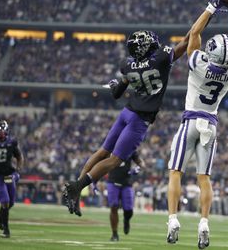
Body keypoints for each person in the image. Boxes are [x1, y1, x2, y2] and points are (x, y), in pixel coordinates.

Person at [63, 29, 190, 216]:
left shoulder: (127, 65)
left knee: (102, 152)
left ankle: (76, 188)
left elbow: (116, 93)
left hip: (126, 113)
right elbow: (186, 42)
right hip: (139, 119)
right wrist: (209, 12)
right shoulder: (160, 58)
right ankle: (78, 186)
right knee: (114, 160)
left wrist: (117, 84)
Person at [166, 0, 228, 249]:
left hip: (190, 120)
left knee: (176, 172)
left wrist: (214, 6)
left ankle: (173, 219)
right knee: (204, 178)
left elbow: (195, 33)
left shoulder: (199, 62)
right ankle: (204, 223)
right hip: (210, 125)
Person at [106, 152, 144, 241]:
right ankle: (114, 234)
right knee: (113, 207)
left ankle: (126, 220)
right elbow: (100, 160)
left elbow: (141, 162)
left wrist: (138, 168)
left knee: (129, 210)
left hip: (126, 183)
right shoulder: (110, 147)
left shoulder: (131, 148)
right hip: (112, 181)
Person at [0, 120, 24, 238]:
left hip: (8, 175)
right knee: (6, 202)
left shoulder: (12, 142)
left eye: (3, 131)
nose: (2, 133)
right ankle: (6, 230)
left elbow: (19, 156)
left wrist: (18, 169)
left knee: (11, 202)